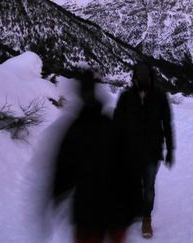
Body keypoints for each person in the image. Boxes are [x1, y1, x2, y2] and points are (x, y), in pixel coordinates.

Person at [51, 68, 141, 243]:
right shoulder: (113, 125)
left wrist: (57, 196)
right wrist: (136, 203)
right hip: (117, 211)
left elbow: (63, 170)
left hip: (87, 212)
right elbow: (131, 166)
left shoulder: (73, 130)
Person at [114, 62, 175, 239]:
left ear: (150, 77)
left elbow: (167, 125)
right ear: (134, 77)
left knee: (148, 186)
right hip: (130, 150)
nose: (142, 78)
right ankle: (131, 213)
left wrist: (170, 149)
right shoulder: (126, 97)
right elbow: (118, 124)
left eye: (145, 75)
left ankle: (146, 218)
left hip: (152, 151)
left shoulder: (160, 97)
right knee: (131, 184)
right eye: (139, 75)